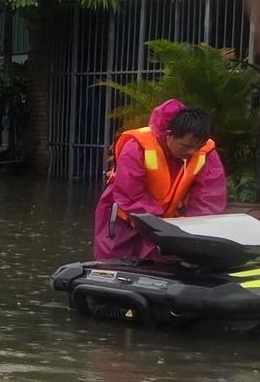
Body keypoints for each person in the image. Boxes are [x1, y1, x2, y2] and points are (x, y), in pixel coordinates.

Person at [94, 100, 226, 263]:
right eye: (185, 146)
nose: (191, 152)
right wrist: (159, 225)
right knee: (114, 265)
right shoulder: (138, 146)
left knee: (166, 266)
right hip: (125, 219)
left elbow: (209, 197)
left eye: (197, 147)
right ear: (168, 134)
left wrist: (192, 231)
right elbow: (129, 193)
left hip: (168, 222)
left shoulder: (206, 151)